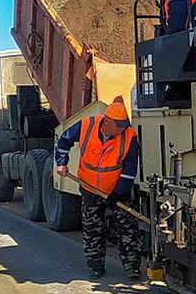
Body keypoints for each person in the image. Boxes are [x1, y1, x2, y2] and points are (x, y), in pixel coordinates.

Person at [54, 97, 142, 279]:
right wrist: (62, 163)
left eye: (124, 126)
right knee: (93, 228)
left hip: (117, 191)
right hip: (90, 188)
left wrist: (117, 193)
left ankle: (132, 267)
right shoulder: (87, 125)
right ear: (107, 121)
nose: (122, 130)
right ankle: (96, 266)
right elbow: (63, 141)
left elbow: (129, 169)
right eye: (119, 126)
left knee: (127, 228)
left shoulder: (129, 136)